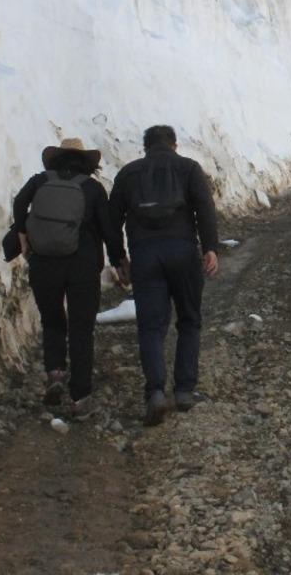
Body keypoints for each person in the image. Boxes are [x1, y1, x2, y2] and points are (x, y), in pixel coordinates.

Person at [110, 125, 220, 426]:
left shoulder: (129, 174)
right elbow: (204, 209)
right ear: (174, 144)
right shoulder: (188, 168)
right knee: (189, 319)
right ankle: (184, 391)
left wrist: (118, 257)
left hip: (145, 256)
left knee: (151, 326)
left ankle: (156, 392)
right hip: (183, 252)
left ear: (145, 147)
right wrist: (210, 247)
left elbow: (111, 217)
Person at [13, 138, 128, 419]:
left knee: (52, 319)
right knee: (81, 329)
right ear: (87, 162)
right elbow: (109, 230)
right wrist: (119, 261)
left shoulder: (40, 181)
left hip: (44, 264)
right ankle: (80, 398)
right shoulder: (92, 188)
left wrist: (22, 232)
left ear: (56, 159)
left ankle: (55, 372)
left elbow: (19, 203)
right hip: (83, 267)